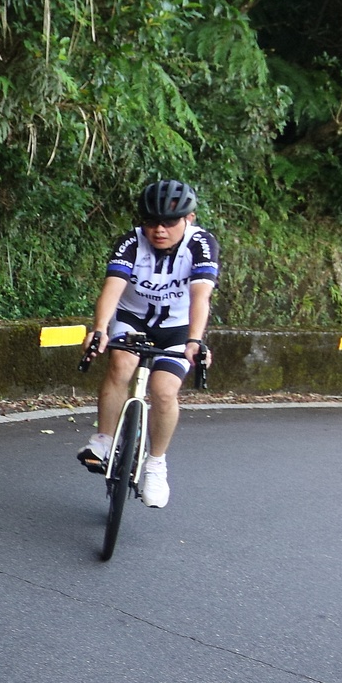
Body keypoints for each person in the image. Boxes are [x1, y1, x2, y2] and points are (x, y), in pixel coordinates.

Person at [75, 179, 217, 508]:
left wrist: (195, 341)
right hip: (133, 319)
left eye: (169, 222)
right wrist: (100, 330)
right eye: (151, 221)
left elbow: (201, 296)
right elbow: (112, 288)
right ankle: (103, 441)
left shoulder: (201, 244)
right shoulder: (130, 242)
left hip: (178, 328)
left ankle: (156, 464)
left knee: (164, 390)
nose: (159, 230)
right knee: (121, 364)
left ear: (189, 218)